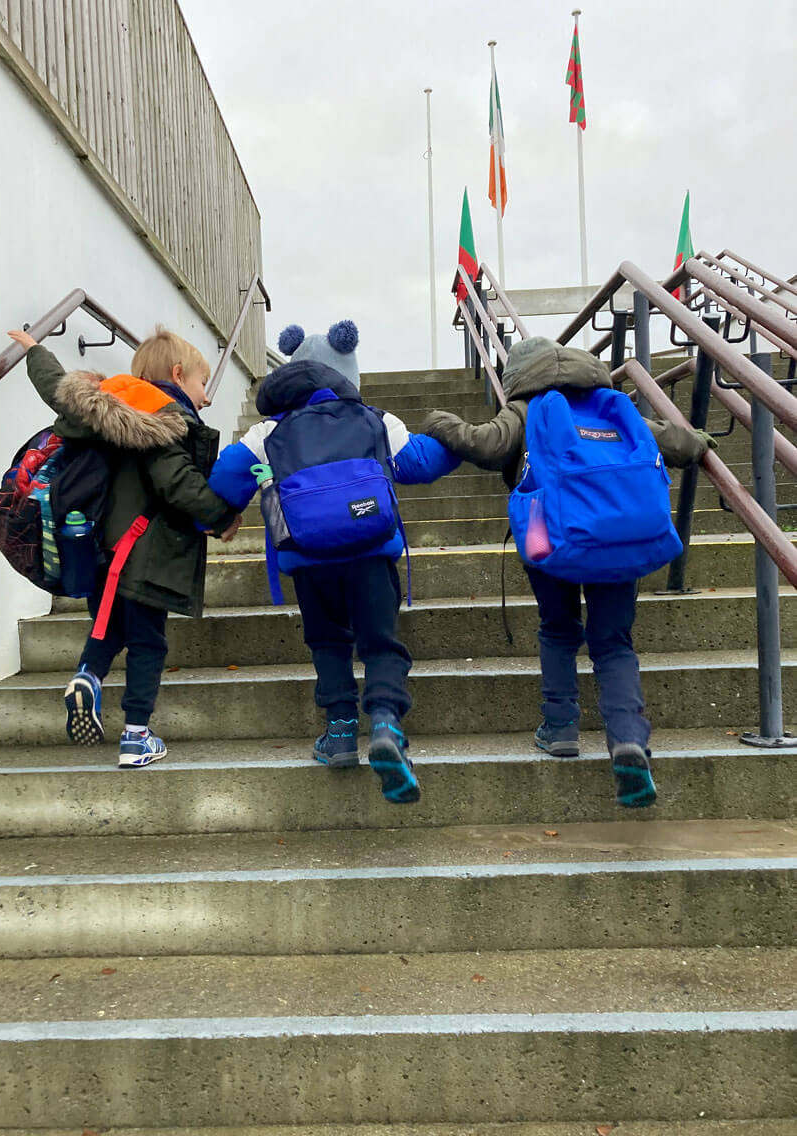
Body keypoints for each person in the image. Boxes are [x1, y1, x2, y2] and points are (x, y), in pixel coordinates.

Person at [421, 336, 715, 808]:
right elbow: (669, 440)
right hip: (620, 533)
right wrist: (699, 440)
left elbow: (485, 445)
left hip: (548, 535)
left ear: (520, 374)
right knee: (613, 641)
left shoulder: (527, 407)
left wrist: (440, 421)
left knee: (558, 629)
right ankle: (627, 740)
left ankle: (560, 728)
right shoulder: (610, 404)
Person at [206, 320, 460, 804]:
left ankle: (340, 733)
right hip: (370, 554)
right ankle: (385, 724)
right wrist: (458, 437)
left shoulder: (269, 431)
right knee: (381, 644)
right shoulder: (375, 420)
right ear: (348, 371)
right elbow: (424, 464)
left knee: (327, 641)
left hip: (309, 559)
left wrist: (219, 513)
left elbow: (222, 480)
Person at [7, 325, 241, 767]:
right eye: (202, 384)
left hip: (94, 549)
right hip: (144, 553)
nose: (206, 397)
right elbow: (177, 483)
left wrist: (36, 350)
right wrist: (223, 515)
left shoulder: (104, 407)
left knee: (109, 627)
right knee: (149, 642)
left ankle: (88, 676)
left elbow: (58, 389)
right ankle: (136, 736)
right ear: (177, 373)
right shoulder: (161, 420)